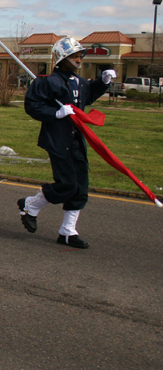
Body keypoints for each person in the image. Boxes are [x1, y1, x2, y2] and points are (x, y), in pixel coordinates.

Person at [18, 37, 114, 249]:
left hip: (77, 138)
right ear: (62, 58)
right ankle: (30, 204)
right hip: (57, 139)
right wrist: (56, 112)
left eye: (80, 55)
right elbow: (32, 106)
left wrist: (103, 83)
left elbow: (87, 97)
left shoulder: (78, 82)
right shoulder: (46, 82)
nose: (79, 59)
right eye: (75, 56)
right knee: (67, 184)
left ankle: (67, 232)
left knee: (80, 187)